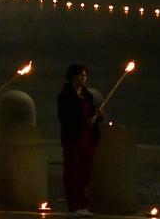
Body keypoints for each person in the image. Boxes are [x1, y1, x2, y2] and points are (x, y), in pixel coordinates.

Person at [57, 64, 104, 217]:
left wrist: (98, 116)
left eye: (84, 75)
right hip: (74, 138)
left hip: (88, 138)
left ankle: (83, 205)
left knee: (85, 170)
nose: (82, 78)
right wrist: (85, 121)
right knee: (73, 171)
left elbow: (92, 115)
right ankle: (73, 206)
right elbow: (66, 117)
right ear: (72, 76)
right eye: (79, 75)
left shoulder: (87, 95)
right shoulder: (65, 96)